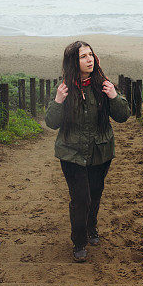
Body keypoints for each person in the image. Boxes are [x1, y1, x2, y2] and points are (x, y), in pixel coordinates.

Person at [45, 41, 130, 262]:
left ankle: (92, 226)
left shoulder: (103, 85)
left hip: (100, 152)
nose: (89, 59)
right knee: (80, 198)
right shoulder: (64, 88)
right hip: (71, 153)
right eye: (83, 56)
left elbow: (123, 116)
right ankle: (79, 241)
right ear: (74, 61)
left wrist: (114, 96)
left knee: (95, 193)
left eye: (91, 55)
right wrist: (58, 101)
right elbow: (52, 123)